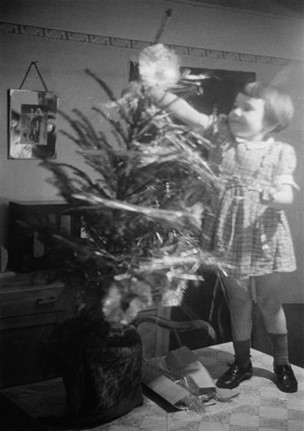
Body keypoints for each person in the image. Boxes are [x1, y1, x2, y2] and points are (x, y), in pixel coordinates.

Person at [146, 79, 299, 396]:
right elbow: (189, 113)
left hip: (265, 236)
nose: (236, 111)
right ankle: (242, 364)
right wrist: (157, 94)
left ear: (271, 121)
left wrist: (274, 196)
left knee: (269, 302)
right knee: (239, 302)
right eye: (235, 105)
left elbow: (287, 192)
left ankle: (282, 363)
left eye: (247, 108)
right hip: (229, 237)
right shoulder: (222, 138)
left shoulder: (281, 152)